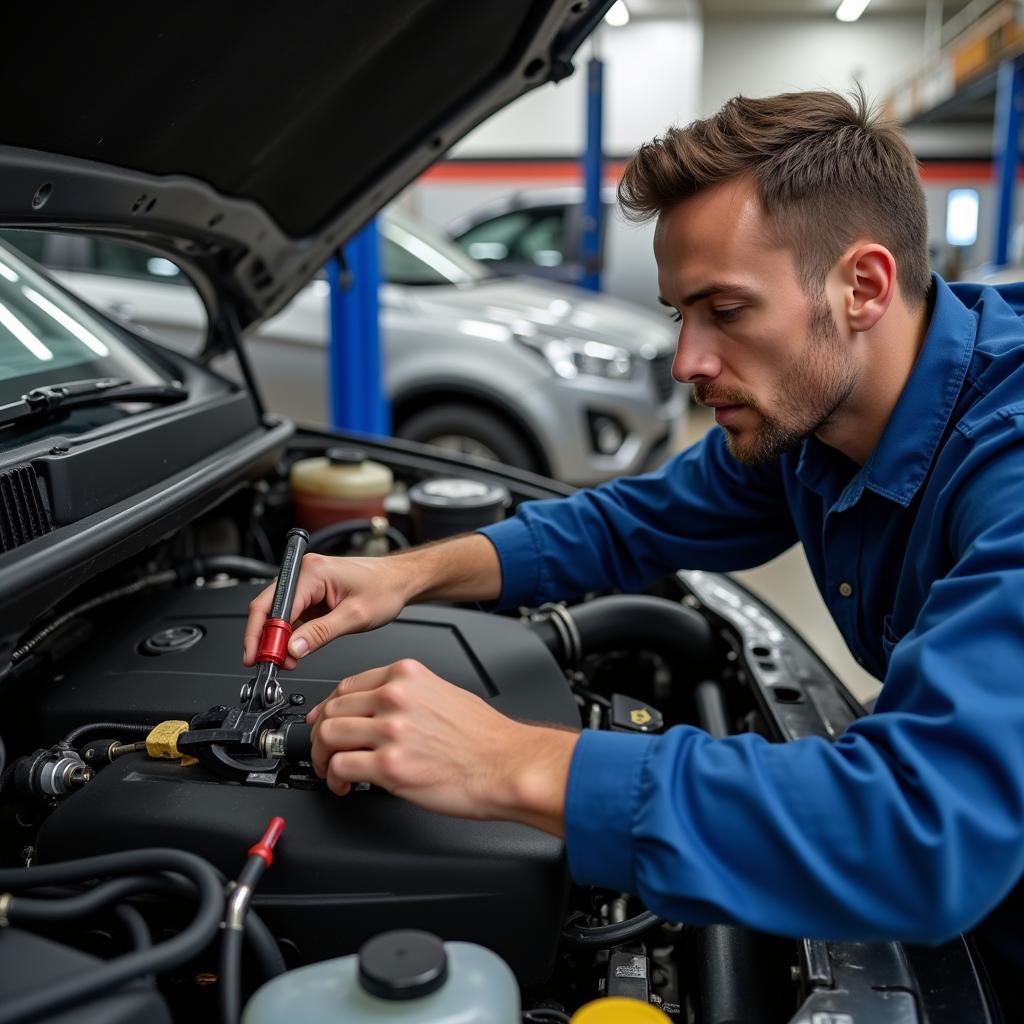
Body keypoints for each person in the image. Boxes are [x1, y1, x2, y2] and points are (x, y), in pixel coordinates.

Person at [245, 90, 1024, 1013]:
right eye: (680, 314)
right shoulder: (816, 420)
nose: (688, 361)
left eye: (726, 309)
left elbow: (916, 832)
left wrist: (509, 762)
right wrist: (402, 574)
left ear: (863, 286)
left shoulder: (1005, 468)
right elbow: (630, 523)